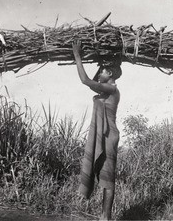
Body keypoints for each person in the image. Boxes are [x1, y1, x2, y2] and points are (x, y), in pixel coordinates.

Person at [72, 40, 122, 220]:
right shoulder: (105, 89)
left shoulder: (111, 88)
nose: (100, 73)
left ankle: (106, 217)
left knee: (108, 179)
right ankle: (104, 216)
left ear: (110, 74)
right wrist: (102, 65)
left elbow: (86, 80)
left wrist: (77, 55)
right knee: (103, 175)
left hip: (109, 137)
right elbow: (93, 80)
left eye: (102, 70)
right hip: (105, 136)